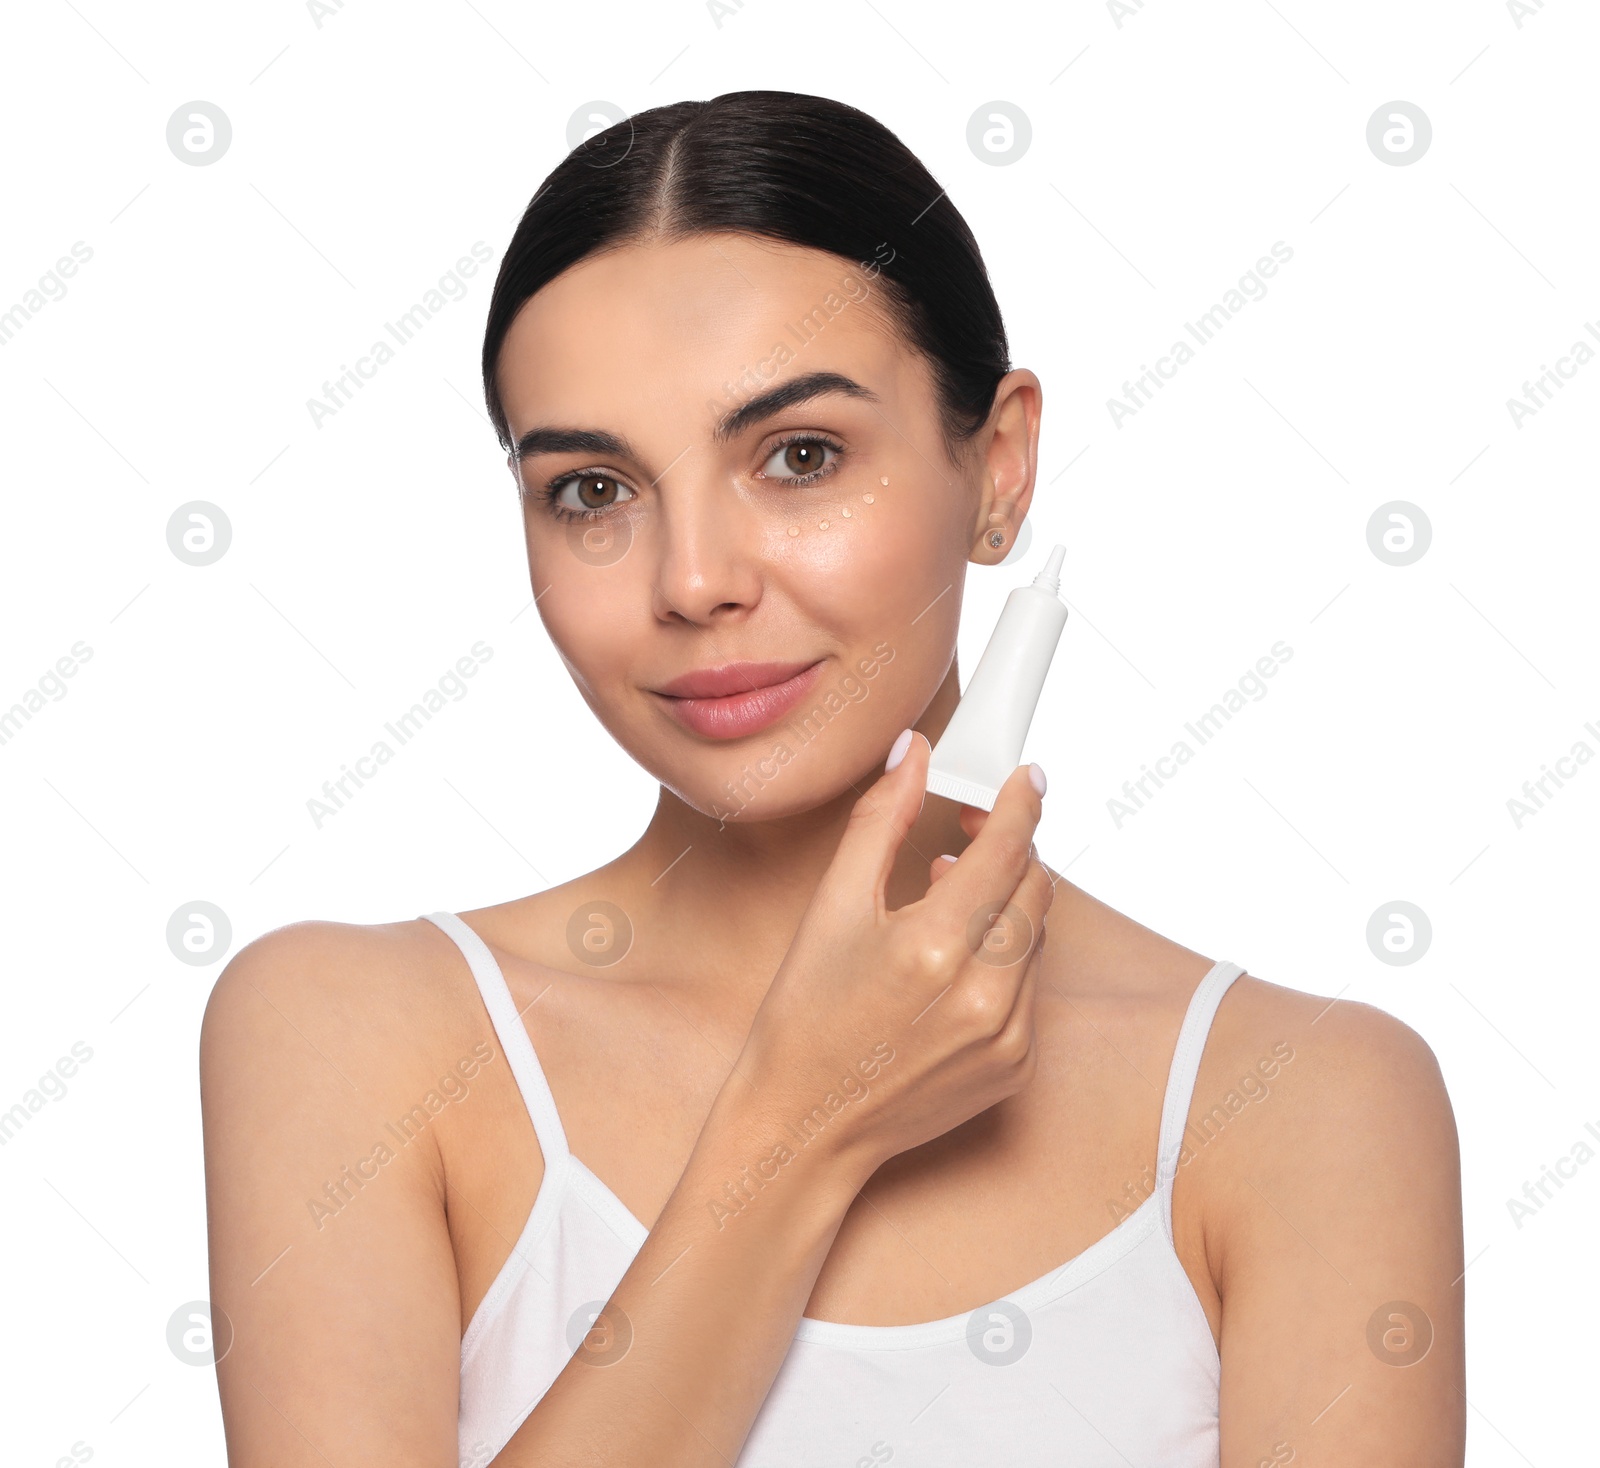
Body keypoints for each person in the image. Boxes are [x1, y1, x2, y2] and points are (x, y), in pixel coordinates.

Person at [199, 90, 1465, 1467]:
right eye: (592, 491)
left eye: (799, 458)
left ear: (1000, 464)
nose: (694, 581)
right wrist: (802, 1124)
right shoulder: (351, 1038)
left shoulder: (1309, 1105)